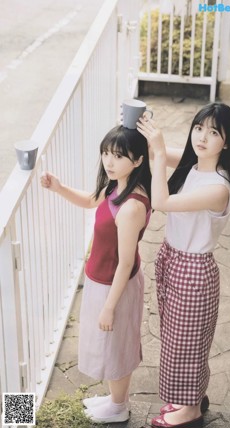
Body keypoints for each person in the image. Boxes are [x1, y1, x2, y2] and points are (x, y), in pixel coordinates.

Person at [137, 102, 230, 428]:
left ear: (227, 142)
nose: (202, 137)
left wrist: (157, 152)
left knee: (188, 344)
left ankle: (191, 411)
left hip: (194, 270)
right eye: (198, 128)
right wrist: (145, 136)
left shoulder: (219, 188)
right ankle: (191, 398)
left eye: (213, 132)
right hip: (174, 260)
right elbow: (165, 153)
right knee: (176, 340)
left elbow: (162, 202)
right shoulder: (194, 165)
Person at [40, 126, 152, 424]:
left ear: (139, 160)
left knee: (117, 347)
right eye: (106, 153)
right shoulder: (117, 186)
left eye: (118, 155)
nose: (109, 162)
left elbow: (125, 263)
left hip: (115, 286)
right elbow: (92, 200)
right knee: (110, 346)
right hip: (101, 279)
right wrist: (59, 188)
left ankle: (119, 407)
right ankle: (116, 400)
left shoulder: (131, 206)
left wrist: (109, 306)